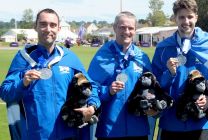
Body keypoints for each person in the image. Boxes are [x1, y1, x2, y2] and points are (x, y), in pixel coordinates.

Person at [0, 8, 100, 140]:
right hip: (36, 135)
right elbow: (5, 93)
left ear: (58, 29)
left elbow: (90, 86)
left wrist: (92, 107)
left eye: (53, 25)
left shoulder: (69, 57)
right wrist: (23, 83)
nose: (48, 29)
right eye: (43, 24)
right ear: (35, 27)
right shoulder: (23, 58)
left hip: (69, 134)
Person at [152, 0, 208, 140]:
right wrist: (169, 74)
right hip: (171, 123)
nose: (186, 21)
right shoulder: (163, 48)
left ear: (196, 17)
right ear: (175, 18)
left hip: (199, 123)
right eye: (181, 17)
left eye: (190, 17)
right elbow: (154, 85)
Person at [88, 11, 157, 140]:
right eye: (122, 27)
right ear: (114, 28)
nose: (126, 31)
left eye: (130, 28)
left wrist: (152, 102)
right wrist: (108, 91)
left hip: (138, 129)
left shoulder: (142, 57)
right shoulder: (102, 56)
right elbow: (91, 88)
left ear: (135, 30)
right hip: (110, 130)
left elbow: (153, 87)